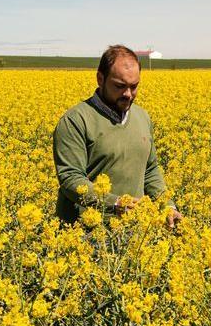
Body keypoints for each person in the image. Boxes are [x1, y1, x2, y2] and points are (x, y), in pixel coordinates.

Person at [52, 44, 183, 230]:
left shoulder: (142, 118)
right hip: (84, 235)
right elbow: (70, 178)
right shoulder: (76, 120)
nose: (128, 94)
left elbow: (150, 169)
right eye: (120, 86)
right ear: (100, 79)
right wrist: (115, 204)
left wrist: (167, 205)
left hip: (134, 232)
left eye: (134, 86)